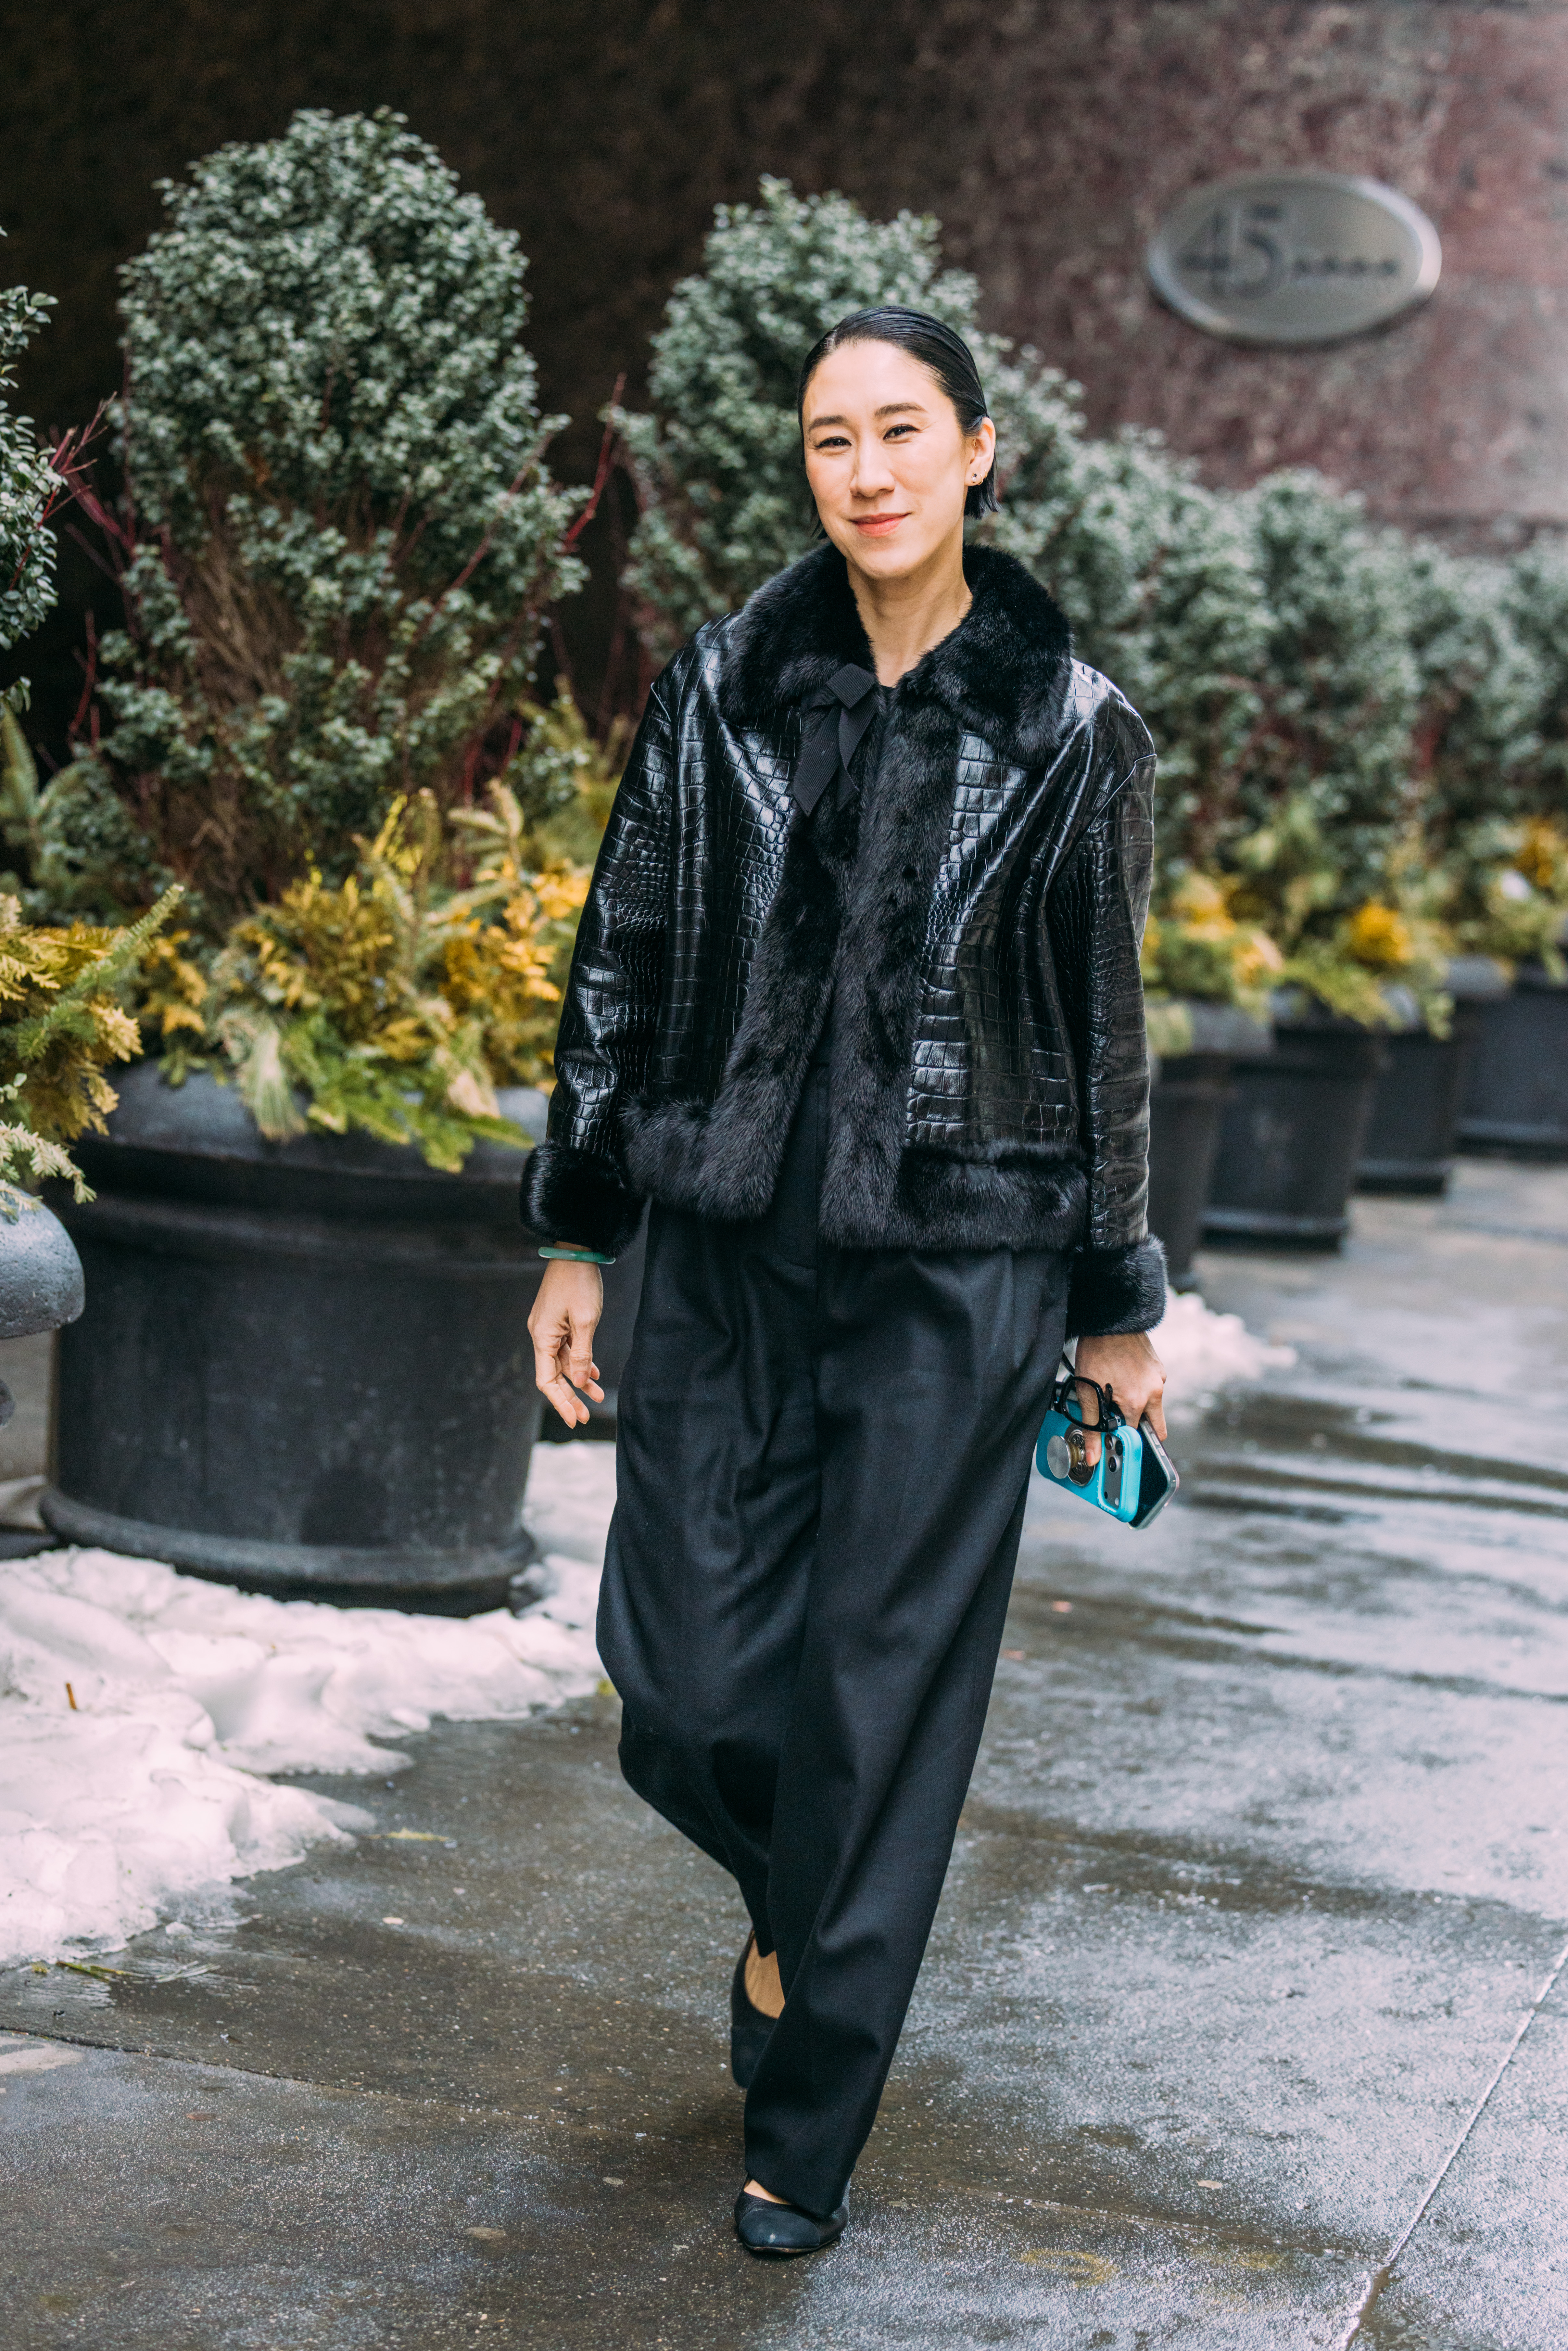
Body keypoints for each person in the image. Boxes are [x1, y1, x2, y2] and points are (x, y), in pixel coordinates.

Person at [523, 307, 1168, 2256]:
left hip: (959, 1268)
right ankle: (798, 1925)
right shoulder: (728, 680)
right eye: (830, 440)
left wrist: (1115, 1296)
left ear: (980, 452)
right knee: (685, 1684)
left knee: (880, 1696)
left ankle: (808, 2123)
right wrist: (580, 1228)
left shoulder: (1072, 724)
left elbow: (1105, 1025)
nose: (867, 471)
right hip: (725, 1245)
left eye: (903, 432)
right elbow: (623, 950)